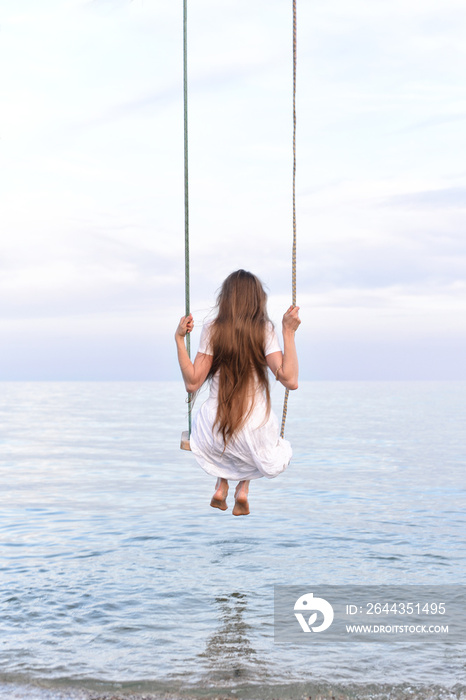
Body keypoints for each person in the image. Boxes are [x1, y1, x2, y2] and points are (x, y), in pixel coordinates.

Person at [175, 269, 300, 516]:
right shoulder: (265, 330)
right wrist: (288, 332)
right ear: (257, 299)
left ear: (226, 298)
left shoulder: (212, 328)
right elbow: (290, 380)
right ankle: (243, 490)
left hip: (214, 429)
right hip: (254, 430)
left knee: (229, 435)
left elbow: (192, 384)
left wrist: (179, 338)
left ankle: (221, 485)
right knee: (259, 439)